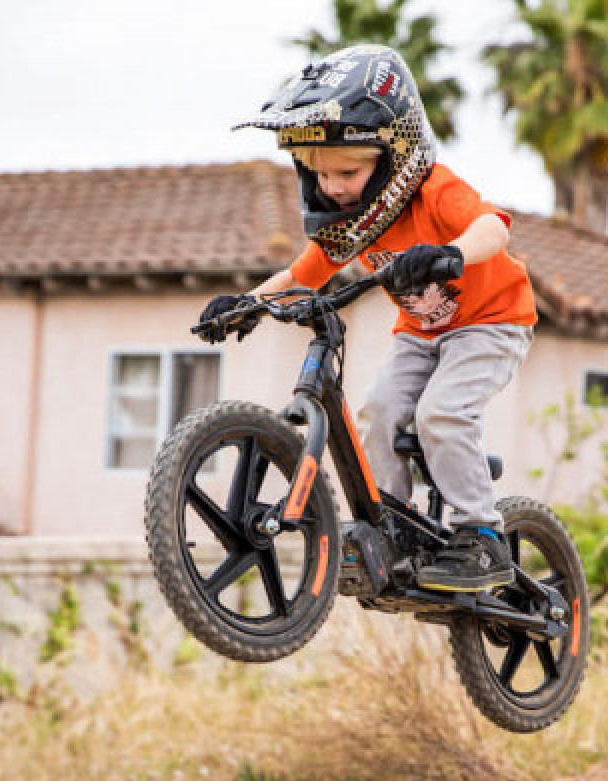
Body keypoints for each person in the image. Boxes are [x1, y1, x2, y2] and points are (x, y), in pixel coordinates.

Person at [199, 45, 537, 593]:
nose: (333, 186)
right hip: (421, 334)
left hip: (491, 323)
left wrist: (451, 253)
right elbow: (302, 274)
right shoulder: (355, 223)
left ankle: (483, 537)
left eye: (348, 171)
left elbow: (493, 227)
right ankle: (396, 528)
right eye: (319, 173)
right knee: (377, 411)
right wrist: (245, 304)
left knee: (441, 413)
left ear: (393, 155)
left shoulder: (434, 189)